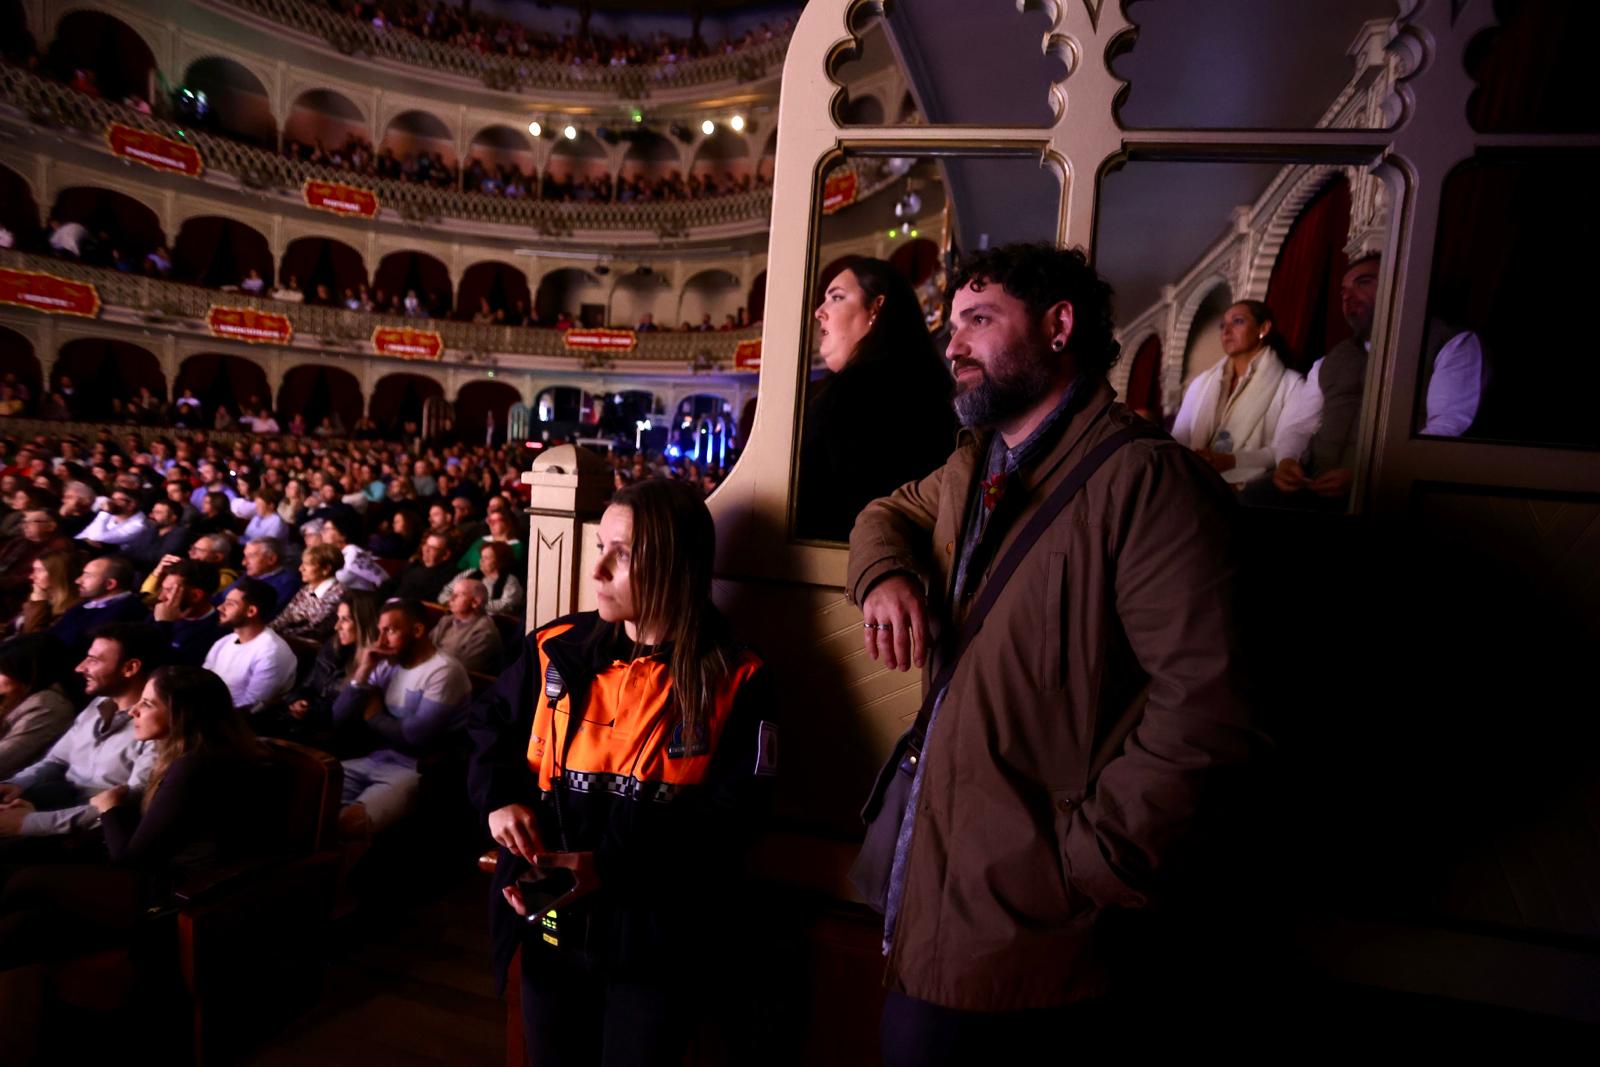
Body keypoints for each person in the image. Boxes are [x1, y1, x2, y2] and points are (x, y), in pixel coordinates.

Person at [846, 243, 1254, 1062]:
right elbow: (884, 514)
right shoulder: (973, 466)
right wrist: (886, 575)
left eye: (980, 320)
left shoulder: (1146, 483)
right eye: (950, 324)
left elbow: (1209, 710)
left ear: (1060, 326)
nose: (953, 344)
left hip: (1041, 925)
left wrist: (1091, 860)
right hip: (938, 890)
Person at [467, 479, 775, 1066]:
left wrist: (609, 867)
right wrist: (498, 800)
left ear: (677, 566)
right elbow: (488, 727)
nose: (597, 571)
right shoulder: (555, 648)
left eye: (623, 554)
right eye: (600, 546)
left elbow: (734, 820)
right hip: (552, 928)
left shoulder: (738, 677)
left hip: (655, 945)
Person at [0, 666, 269, 969]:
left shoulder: (194, 765)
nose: (133, 712)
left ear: (182, 714)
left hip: (180, 893)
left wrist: (109, 807)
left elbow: (131, 859)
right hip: (161, 874)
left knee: (26, 881)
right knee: (22, 920)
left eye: (148, 704)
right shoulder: (191, 752)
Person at [796, 256, 957, 541]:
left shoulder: (851, 398)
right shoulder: (929, 386)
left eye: (836, 297)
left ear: (875, 307)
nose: (819, 311)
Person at [0, 623, 162, 845]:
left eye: (93, 660)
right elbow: (56, 760)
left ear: (130, 668)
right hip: (52, 805)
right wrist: (18, 784)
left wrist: (27, 823)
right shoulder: (97, 704)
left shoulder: (157, 726)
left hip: (88, 834)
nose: (79, 668)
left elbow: (122, 806)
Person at [331, 599, 470, 839]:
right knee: (309, 801)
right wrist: (364, 670)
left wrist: (373, 715)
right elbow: (339, 717)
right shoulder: (385, 664)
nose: (381, 641)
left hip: (415, 769)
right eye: (380, 631)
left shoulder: (444, 671)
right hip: (373, 758)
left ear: (417, 631)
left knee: (349, 824)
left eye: (390, 631)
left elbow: (416, 737)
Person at [1170, 299, 1316, 486]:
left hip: (1249, 490)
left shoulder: (1292, 384)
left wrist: (1232, 461)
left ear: (1263, 328)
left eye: (1237, 321)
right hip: (1193, 482)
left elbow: (1285, 450)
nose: (1226, 331)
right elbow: (1179, 439)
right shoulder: (1201, 383)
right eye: (1223, 325)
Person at [268, 591, 381, 743]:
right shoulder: (332, 646)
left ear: (364, 623)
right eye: (338, 618)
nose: (337, 627)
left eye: (345, 620)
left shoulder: (374, 663)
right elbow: (308, 685)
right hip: (306, 721)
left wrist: (310, 712)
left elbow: (345, 717)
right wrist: (298, 700)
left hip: (338, 736)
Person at [202, 579, 297, 713]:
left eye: (230, 604)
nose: (220, 607)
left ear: (251, 611)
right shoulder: (224, 642)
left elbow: (252, 706)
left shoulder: (271, 652)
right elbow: (201, 682)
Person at [0, 638, 77, 780]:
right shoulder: (17, 698)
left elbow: (4, 760)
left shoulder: (47, 706)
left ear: (29, 674)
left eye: (2, 671)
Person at [49, 555, 146, 661]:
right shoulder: (84, 605)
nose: (78, 580)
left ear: (110, 584)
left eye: (87, 576)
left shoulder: (127, 611)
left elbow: (74, 646)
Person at [150, 560, 224, 667]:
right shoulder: (160, 611)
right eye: (163, 589)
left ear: (195, 596)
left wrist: (164, 624)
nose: (161, 597)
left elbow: (160, 663)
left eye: (169, 590)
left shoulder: (217, 632)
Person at [213, 536, 300, 621]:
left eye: (251, 556)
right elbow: (220, 597)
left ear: (271, 559)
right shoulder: (252, 574)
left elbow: (264, 617)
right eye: (245, 556)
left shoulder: (288, 583)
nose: (244, 562)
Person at [429, 578, 503, 673]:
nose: (451, 599)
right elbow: (426, 649)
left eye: (459, 595)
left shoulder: (485, 632)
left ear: (475, 602)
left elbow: (462, 670)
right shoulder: (446, 620)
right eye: (452, 594)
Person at [441, 540, 524, 618]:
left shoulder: (510, 581)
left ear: (499, 561)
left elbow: (507, 605)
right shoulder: (469, 573)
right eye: (481, 556)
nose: (481, 560)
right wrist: (455, 602)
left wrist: (471, 604)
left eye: (486, 558)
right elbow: (445, 592)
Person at [10, 551, 80, 638]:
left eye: (39, 570)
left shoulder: (73, 611)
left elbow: (33, 640)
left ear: (58, 573)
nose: (31, 576)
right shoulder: (42, 596)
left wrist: (38, 604)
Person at [389, 531, 457, 603]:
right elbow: (391, 584)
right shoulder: (413, 565)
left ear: (446, 555)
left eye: (432, 548)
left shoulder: (449, 576)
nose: (425, 550)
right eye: (426, 545)